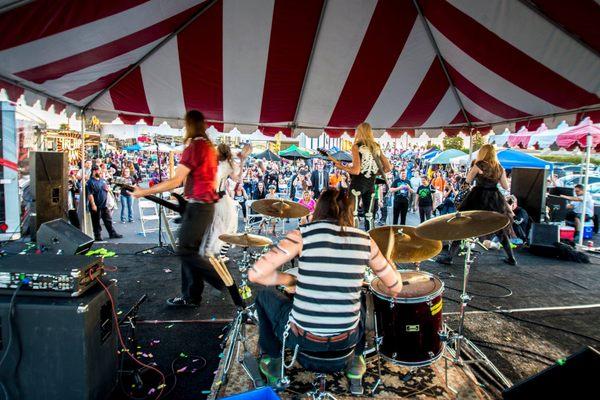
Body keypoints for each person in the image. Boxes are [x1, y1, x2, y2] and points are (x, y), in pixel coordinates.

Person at [249, 189, 401, 393]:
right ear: (349, 212)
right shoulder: (365, 240)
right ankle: (356, 361)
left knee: (265, 296)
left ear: (318, 209)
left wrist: (290, 279)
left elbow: (256, 274)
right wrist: (390, 265)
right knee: (362, 297)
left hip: (303, 345)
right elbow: (395, 287)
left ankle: (275, 361)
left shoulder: (302, 234)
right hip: (346, 343)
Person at [132, 110, 223, 307]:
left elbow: (175, 180)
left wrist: (144, 192)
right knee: (189, 252)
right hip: (204, 206)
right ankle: (191, 296)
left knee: (185, 251)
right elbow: (204, 180)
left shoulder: (195, 146)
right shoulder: (209, 147)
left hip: (199, 207)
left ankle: (223, 282)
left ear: (189, 125)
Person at [436, 144, 517, 266]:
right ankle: (511, 258)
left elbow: (468, 181)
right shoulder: (499, 168)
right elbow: (505, 186)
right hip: (495, 199)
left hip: (478, 197)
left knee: (463, 226)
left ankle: (449, 257)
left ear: (482, 153)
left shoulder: (479, 165)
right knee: (500, 229)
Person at [332, 122, 391, 230]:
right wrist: (372, 173)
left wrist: (342, 167)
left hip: (357, 184)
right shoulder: (376, 147)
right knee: (369, 215)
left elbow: (356, 171)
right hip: (371, 185)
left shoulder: (356, 146)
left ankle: (355, 238)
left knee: (353, 214)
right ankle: (370, 239)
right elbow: (388, 168)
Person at [203, 143, 251, 259]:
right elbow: (238, 178)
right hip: (221, 199)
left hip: (210, 198)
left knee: (212, 228)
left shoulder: (211, 163)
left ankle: (209, 252)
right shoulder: (228, 164)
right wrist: (242, 161)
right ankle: (221, 255)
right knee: (229, 228)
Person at [87, 165, 123, 241]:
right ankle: (97, 235)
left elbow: (106, 188)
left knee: (108, 220)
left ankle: (112, 233)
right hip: (96, 204)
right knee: (96, 221)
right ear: (94, 171)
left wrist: (107, 189)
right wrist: (93, 204)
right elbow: (90, 194)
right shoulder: (90, 182)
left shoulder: (102, 180)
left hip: (104, 204)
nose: (100, 172)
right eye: (99, 171)